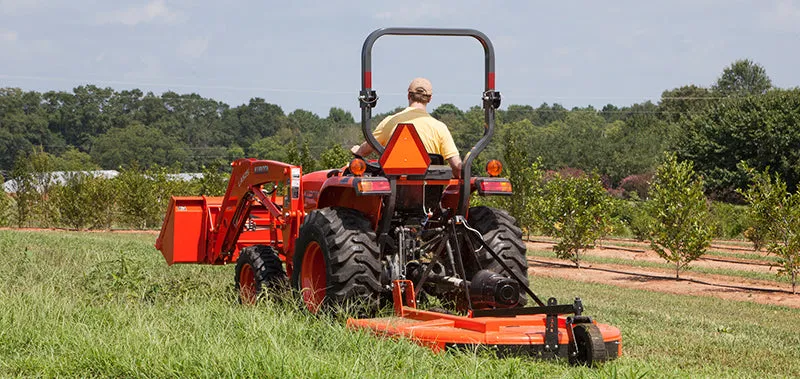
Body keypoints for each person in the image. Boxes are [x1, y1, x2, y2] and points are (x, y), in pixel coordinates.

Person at [351, 77, 463, 178]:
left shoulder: (390, 122)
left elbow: (366, 149)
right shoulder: (440, 128)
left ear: (409, 95)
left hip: (392, 196)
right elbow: (457, 167)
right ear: (429, 99)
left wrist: (358, 150)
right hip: (429, 197)